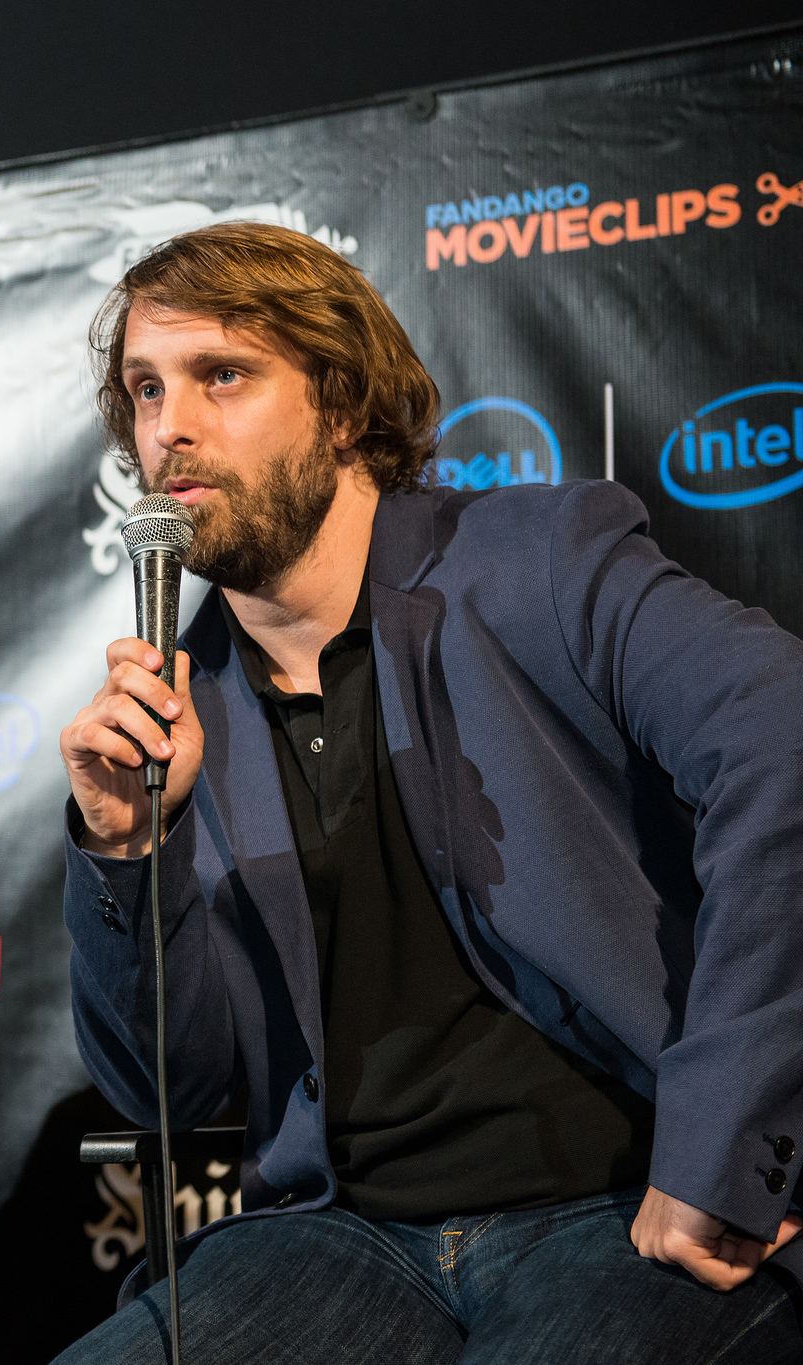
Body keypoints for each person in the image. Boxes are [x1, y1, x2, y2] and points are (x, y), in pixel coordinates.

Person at [53, 222, 803, 1363]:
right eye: (145, 392)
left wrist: (722, 1145)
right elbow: (177, 1085)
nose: (171, 430)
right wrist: (122, 854)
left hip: (619, 1203)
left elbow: (779, 737)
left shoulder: (539, 559)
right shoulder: (175, 702)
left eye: (223, 377)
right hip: (336, 1237)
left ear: (342, 406)